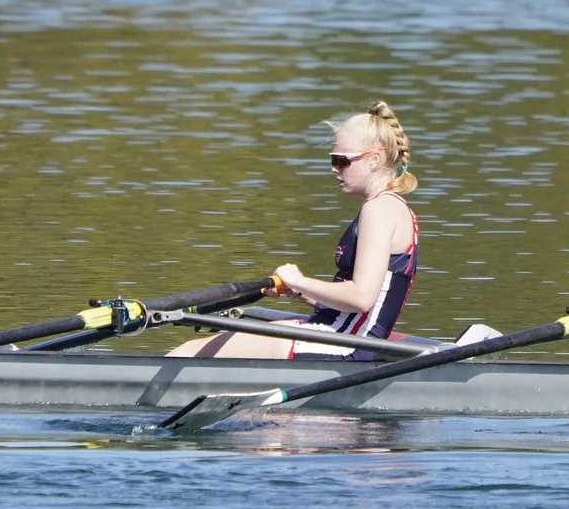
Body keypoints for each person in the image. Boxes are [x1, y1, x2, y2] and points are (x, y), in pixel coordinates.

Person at [169, 101, 420, 358]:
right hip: (342, 334)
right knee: (205, 349)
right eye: (332, 159)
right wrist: (299, 291)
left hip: (345, 345)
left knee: (188, 353)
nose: (334, 168)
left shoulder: (378, 210)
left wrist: (299, 281)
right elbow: (362, 304)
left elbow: (361, 298)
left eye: (341, 160)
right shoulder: (392, 207)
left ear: (375, 159)